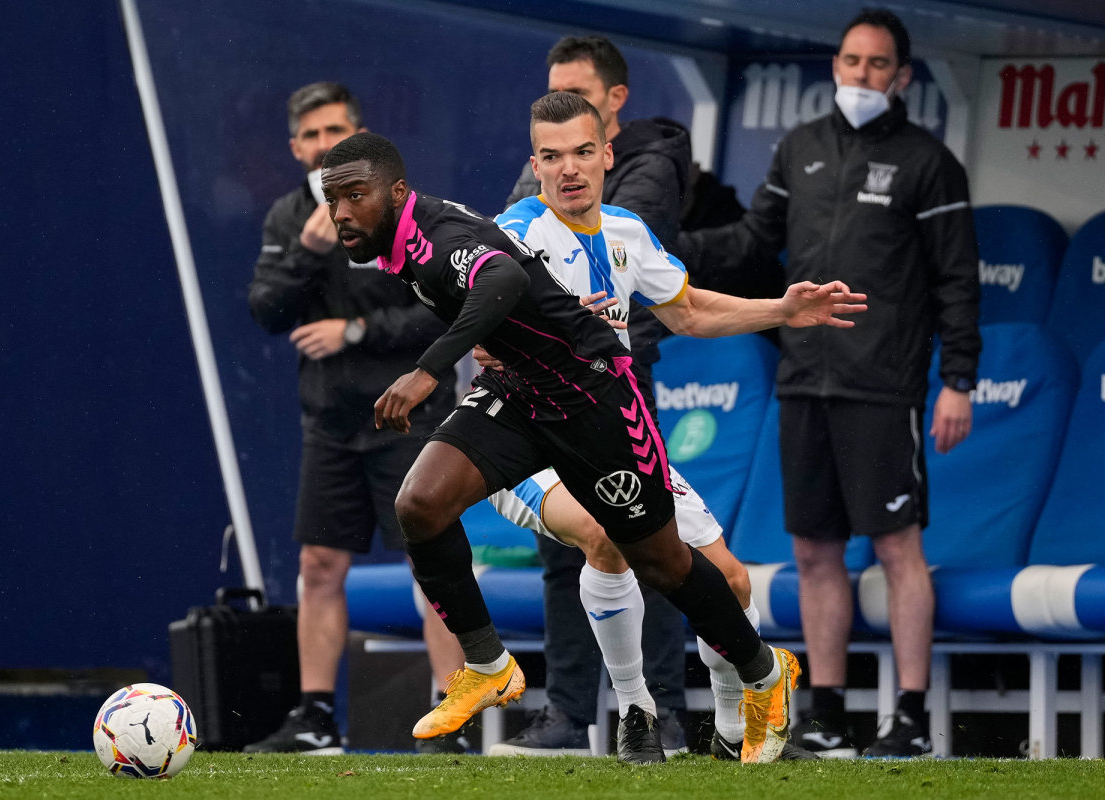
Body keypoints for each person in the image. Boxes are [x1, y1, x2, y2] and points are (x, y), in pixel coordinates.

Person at [319, 129, 867, 763]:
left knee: (670, 565)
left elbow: (508, 284)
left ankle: (763, 676)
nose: (340, 213)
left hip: (595, 400)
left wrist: (425, 371)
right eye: (333, 200)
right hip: (520, 395)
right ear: (534, 164)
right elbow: (497, 291)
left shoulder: (467, 237)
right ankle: (497, 667)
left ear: (609, 151)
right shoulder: (488, 226)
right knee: (419, 503)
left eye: (352, 196)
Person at [684, 8, 980, 758]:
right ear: (836, 66)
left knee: (896, 547)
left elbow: (957, 280)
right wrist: (665, 248)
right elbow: (755, 243)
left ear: (903, 77)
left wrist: (960, 381)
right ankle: (827, 712)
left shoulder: (928, 161)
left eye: (878, 64)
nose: (862, 75)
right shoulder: (801, 147)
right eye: (851, 61)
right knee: (815, 551)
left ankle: (909, 715)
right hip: (802, 381)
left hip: (883, 384)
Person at [483, 93, 815, 763]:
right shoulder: (511, 236)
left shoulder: (628, 232)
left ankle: (734, 735)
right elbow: (483, 344)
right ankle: (636, 711)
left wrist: (781, 308)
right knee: (607, 532)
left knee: (731, 581)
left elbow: (689, 312)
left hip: (612, 438)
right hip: (526, 443)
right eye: (553, 157)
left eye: (583, 152)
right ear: (535, 165)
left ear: (608, 154)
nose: (569, 169)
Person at [243, 82, 464, 755]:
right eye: (309, 136)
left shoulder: (403, 209)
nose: (322, 146)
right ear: (294, 149)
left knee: (435, 566)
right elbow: (266, 311)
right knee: (318, 566)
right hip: (330, 423)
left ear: (358, 137)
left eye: (334, 131)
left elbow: (445, 310)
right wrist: (310, 253)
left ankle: (451, 717)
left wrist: (357, 330)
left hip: (410, 417)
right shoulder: (289, 218)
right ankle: (314, 718)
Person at [497, 34, 698, 757]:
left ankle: (662, 712)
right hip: (542, 385)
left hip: (618, 376)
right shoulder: (539, 181)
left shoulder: (648, 172)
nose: (564, 165)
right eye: (549, 154)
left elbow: (600, 255)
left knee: (649, 538)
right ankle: (570, 711)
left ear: (613, 107)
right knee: (570, 545)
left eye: (579, 101)